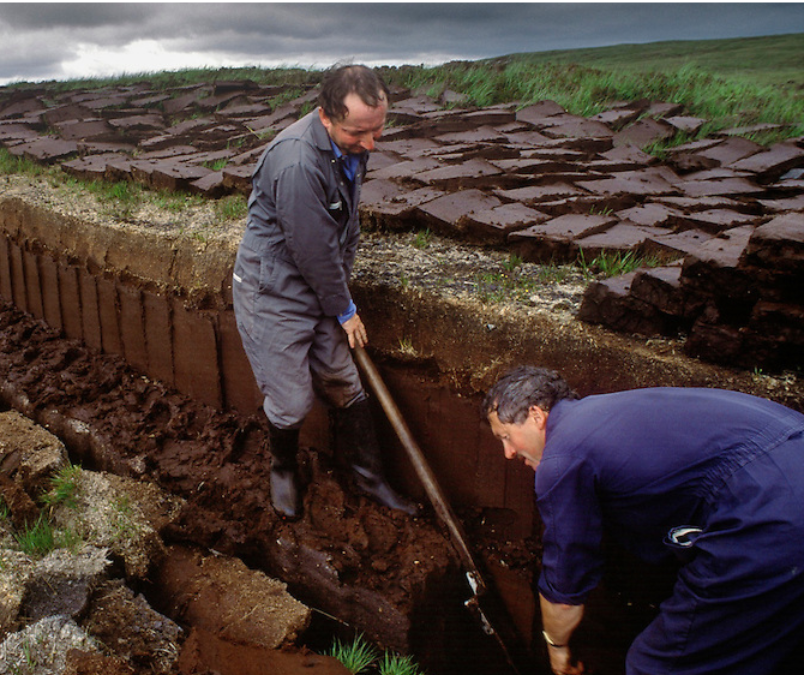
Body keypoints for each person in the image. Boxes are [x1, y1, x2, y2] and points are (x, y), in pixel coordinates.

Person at [482, 365, 804, 675]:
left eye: (506, 436)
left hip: (772, 510)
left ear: (537, 415)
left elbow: (565, 585)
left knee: (656, 665)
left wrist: (556, 649)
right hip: (790, 455)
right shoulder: (609, 416)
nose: (508, 453)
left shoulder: (562, 457)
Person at [232, 64, 415, 519]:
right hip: (273, 288)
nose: (371, 143)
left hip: (321, 280)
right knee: (292, 399)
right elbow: (310, 248)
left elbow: (344, 225)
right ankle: (282, 468)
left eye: (378, 129)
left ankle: (370, 479)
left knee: (343, 381)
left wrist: (339, 292)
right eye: (360, 132)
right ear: (326, 116)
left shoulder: (352, 143)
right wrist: (345, 309)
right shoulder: (296, 161)